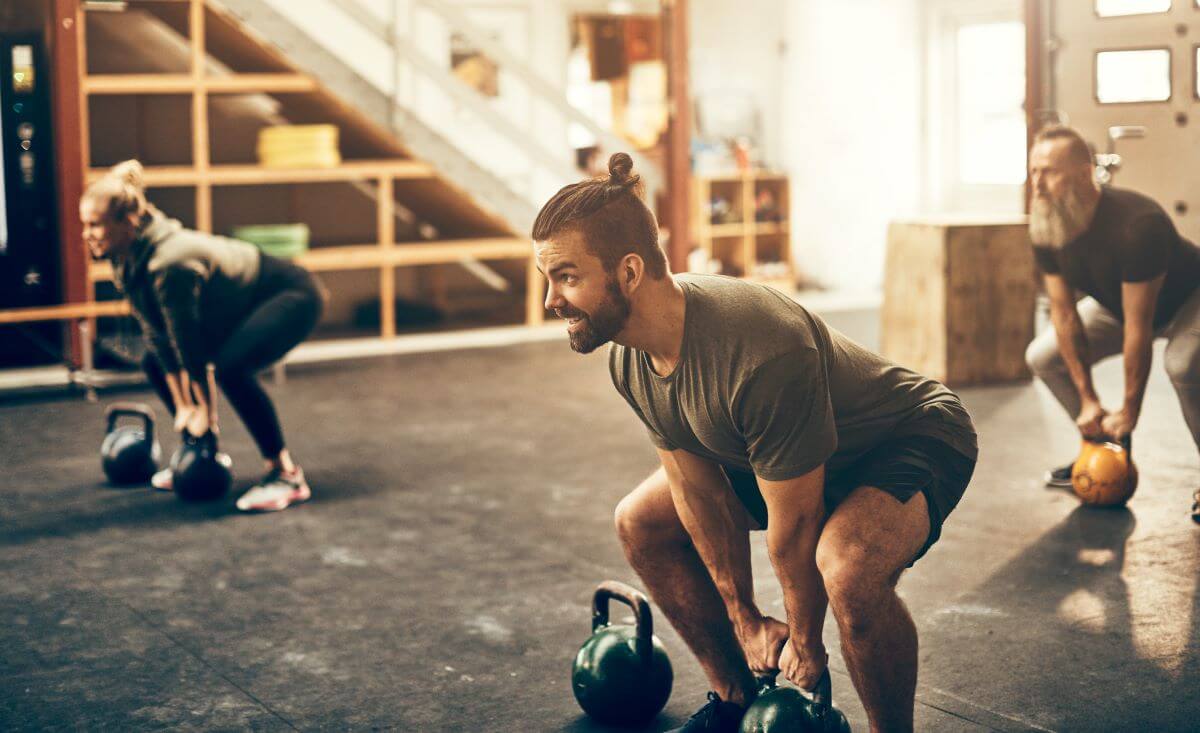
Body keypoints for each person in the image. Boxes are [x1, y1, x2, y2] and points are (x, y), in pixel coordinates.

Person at [532, 153, 978, 733]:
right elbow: (697, 493)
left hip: (907, 436)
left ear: (630, 272)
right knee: (641, 521)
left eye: (566, 276)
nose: (550, 301)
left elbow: (795, 527)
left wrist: (806, 640)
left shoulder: (760, 351)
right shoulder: (631, 360)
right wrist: (744, 619)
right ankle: (734, 698)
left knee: (845, 568)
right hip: (787, 452)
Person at [80, 160, 324, 512]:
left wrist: (202, 409)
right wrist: (187, 411)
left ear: (127, 223)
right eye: (84, 224)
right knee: (151, 360)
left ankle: (285, 474)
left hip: (289, 293)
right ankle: (199, 450)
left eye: (94, 225)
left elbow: (187, 346)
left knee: (231, 368)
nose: (87, 233)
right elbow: (157, 335)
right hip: (236, 301)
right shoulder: (123, 255)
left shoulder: (169, 262)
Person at [1025, 125, 1200, 522]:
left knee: (1184, 364)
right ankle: (1099, 451)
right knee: (1043, 356)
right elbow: (1064, 312)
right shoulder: (1047, 225)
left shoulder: (1136, 225)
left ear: (1084, 173)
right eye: (1034, 171)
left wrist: (1129, 410)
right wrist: (1088, 399)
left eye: (1049, 172)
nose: (1038, 184)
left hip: (1189, 297)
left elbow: (1140, 326)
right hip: (1116, 304)